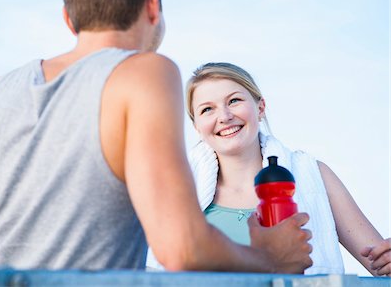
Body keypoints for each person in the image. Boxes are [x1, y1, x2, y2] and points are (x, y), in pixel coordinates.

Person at [0, 0, 313, 272]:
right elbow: (181, 248)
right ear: (154, 5)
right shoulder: (145, 72)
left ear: (69, 19)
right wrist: (270, 259)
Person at [146, 62, 391, 276]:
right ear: (197, 125)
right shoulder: (177, 190)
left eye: (234, 100)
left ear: (260, 108)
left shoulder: (313, 174)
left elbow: (379, 264)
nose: (225, 116)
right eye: (207, 109)